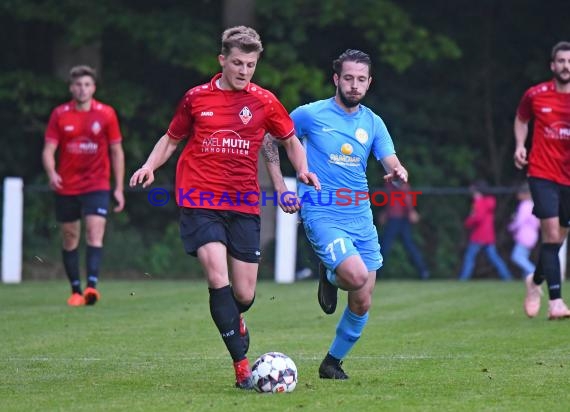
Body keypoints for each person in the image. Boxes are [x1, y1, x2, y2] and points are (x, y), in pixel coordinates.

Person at [129, 26, 319, 390]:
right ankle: (242, 368)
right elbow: (172, 138)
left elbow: (289, 140)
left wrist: (304, 169)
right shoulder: (196, 98)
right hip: (200, 199)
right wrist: (150, 166)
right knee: (218, 276)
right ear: (222, 60)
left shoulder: (264, 101)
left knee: (244, 294)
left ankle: (236, 318)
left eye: (250, 64)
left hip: (244, 203)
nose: (244, 70)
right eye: (236, 62)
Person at [264, 49, 409, 380]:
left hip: (360, 216)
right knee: (355, 276)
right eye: (348, 78)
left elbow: (391, 160)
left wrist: (397, 172)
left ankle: (332, 362)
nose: (354, 85)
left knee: (362, 300)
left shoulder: (373, 122)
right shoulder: (310, 115)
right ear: (336, 79)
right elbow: (270, 141)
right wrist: (280, 188)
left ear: (369, 83)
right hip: (321, 211)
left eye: (361, 80)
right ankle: (331, 273)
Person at [42, 65, 125, 307]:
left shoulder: (107, 114)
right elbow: (48, 150)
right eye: (78, 85)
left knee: (94, 232)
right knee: (70, 238)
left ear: (94, 88)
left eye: (87, 84)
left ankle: (91, 287)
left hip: (97, 183)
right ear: (71, 88)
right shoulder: (60, 114)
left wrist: (118, 187)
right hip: (67, 185)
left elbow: (117, 151)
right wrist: (51, 172)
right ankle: (76, 290)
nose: (82, 89)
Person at [514, 41, 570, 319]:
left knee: (556, 240)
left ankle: (534, 283)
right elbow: (521, 118)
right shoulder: (536, 94)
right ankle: (556, 302)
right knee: (550, 234)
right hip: (542, 173)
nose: (566, 66)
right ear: (553, 65)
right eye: (561, 61)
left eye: (569, 61)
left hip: (568, 178)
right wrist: (520, 145)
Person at [457, 180, 513, 281]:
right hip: (488, 235)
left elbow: (478, 217)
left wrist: (468, 222)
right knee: (494, 258)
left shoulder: (480, 202)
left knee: (469, 257)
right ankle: (507, 277)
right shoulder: (489, 202)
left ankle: (463, 279)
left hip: (479, 235)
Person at [377, 181, 429, 280]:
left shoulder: (397, 180)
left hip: (397, 218)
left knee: (385, 246)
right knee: (404, 245)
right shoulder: (391, 182)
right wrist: (385, 213)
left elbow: (405, 197)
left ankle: (377, 273)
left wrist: (411, 211)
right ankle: (423, 271)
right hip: (396, 217)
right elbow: (391, 201)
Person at [508, 183, 540, 282]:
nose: (518, 195)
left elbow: (519, 221)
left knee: (516, 257)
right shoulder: (533, 205)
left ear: (526, 194)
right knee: (523, 257)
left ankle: (535, 272)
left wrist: (511, 227)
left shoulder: (525, 205)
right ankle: (528, 279)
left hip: (525, 236)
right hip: (532, 235)